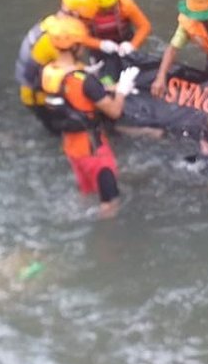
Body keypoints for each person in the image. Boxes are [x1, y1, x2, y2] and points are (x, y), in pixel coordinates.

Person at [40, 16, 139, 218]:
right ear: (75, 46)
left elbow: (74, 92)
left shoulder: (49, 72)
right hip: (94, 152)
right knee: (110, 204)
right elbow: (114, 111)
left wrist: (98, 82)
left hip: (71, 148)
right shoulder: (85, 81)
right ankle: (108, 245)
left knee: (86, 193)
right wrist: (121, 91)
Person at [15, 0, 116, 134]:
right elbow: (74, 75)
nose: (88, 25)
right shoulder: (53, 41)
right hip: (39, 98)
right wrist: (109, 87)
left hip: (37, 85)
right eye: (87, 20)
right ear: (75, 14)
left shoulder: (52, 24)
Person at [86, 0, 152, 79]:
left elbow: (144, 27)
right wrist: (100, 44)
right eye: (104, 8)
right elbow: (79, 37)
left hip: (125, 46)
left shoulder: (126, 5)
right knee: (102, 79)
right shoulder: (85, 10)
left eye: (111, 6)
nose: (108, 10)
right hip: (99, 50)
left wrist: (132, 45)